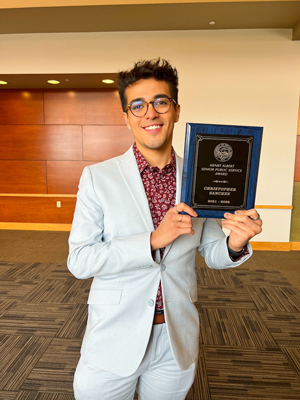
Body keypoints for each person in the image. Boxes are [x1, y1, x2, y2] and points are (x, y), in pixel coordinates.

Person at [67, 58, 262, 400]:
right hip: (113, 336)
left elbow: (213, 253)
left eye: (160, 102)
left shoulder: (200, 176)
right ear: (126, 117)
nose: (150, 114)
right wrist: (154, 240)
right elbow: (80, 260)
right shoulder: (98, 179)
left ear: (175, 110)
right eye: (138, 105)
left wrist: (236, 242)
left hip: (175, 338)